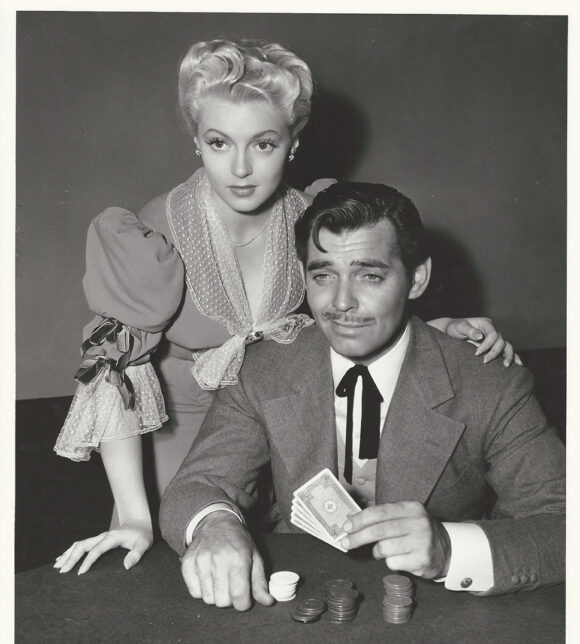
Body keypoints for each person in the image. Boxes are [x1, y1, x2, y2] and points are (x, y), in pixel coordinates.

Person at [53, 39, 516, 575]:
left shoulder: (313, 217)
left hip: (288, 432)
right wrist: (135, 516)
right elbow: (116, 375)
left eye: (264, 144)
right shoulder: (151, 232)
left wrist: (435, 329)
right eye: (220, 143)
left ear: (293, 145)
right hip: (177, 448)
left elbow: (344, 309)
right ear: (197, 143)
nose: (242, 168)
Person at [159, 181, 565, 610]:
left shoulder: (490, 384)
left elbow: (562, 525)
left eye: (370, 275)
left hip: (440, 618)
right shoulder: (263, 370)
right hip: (300, 608)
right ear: (303, 278)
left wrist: (448, 548)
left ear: (417, 278)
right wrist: (215, 525)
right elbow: (199, 485)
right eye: (323, 275)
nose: (341, 302)